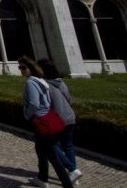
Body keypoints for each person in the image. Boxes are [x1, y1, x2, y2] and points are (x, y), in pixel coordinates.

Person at [18, 56, 73, 188]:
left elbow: (34, 104)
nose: (21, 70)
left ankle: (68, 180)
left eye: (23, 68)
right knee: (41, 149)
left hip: (40, 121)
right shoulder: (42, 81)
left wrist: (26, 114)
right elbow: (47, 102)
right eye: (19, 68)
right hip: (48, 118)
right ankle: (42, 178)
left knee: (51, 154)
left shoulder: (31, 82)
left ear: (31, 68)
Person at [38, 59, 82, 184]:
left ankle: (72, 169)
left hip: (56, 120)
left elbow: (44, 104)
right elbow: (68, 98)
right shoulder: (61, 83)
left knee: (51, 145)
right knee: (68, 146)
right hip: (69, 117)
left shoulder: (44, 85)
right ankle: (74, 176)